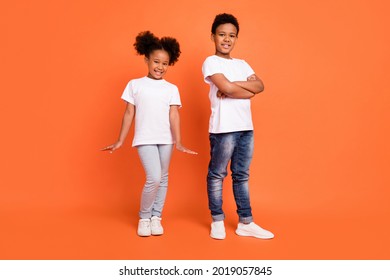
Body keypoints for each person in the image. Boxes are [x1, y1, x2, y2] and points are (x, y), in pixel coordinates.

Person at [102, 31, 197, 237]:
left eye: (165, 63)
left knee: (163, 178)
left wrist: (178, 142)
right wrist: (120, 140)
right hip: (145, 138)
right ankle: (144, 217)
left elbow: (174, 116)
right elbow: (129, 113)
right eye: (156, 62)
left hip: (166, 140)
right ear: (146, 59)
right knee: (153, 177)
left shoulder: (171, 88)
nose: (160, 67)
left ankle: (156, 217)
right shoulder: (134, 85)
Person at [202, 13, 274, 240]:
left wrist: (233, 87)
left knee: (241, 175)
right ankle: (217, 220)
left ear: (236, 38)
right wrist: (243, 90)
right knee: (217, 174)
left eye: (231, 35)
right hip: (223, 129)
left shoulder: (242, 64)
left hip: (245, 128)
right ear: (213, 36)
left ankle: (246, 222)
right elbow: (234, 90)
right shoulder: (211, 62)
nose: (226, 39)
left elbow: (260, 86)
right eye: (222, 34)